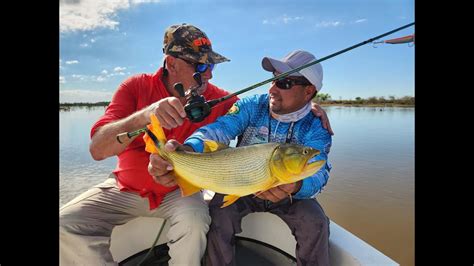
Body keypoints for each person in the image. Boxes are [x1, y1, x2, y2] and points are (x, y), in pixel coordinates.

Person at [60, 22, 332, 265]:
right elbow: (97, 149)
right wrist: (148, 118)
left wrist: (307, 107)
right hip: (123, 188)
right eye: (202, 67)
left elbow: (244, 118)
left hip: (182, 192)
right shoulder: (134, 87)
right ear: (172, 63)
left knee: (199, 222)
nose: (210, 75)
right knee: (65, 223)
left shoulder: (223, 100)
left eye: (212, 66)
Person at [156, 50, 332, 265]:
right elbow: (218, 130)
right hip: (241, 184)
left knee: (315, 222)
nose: (273, 88)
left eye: (284, 83)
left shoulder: (317, 126)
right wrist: (190, 148)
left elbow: (320, 171)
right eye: (273, 79)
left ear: (308, 91)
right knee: (219, 214)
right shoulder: (251, 105)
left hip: (291, 193)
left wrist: (296, 187)